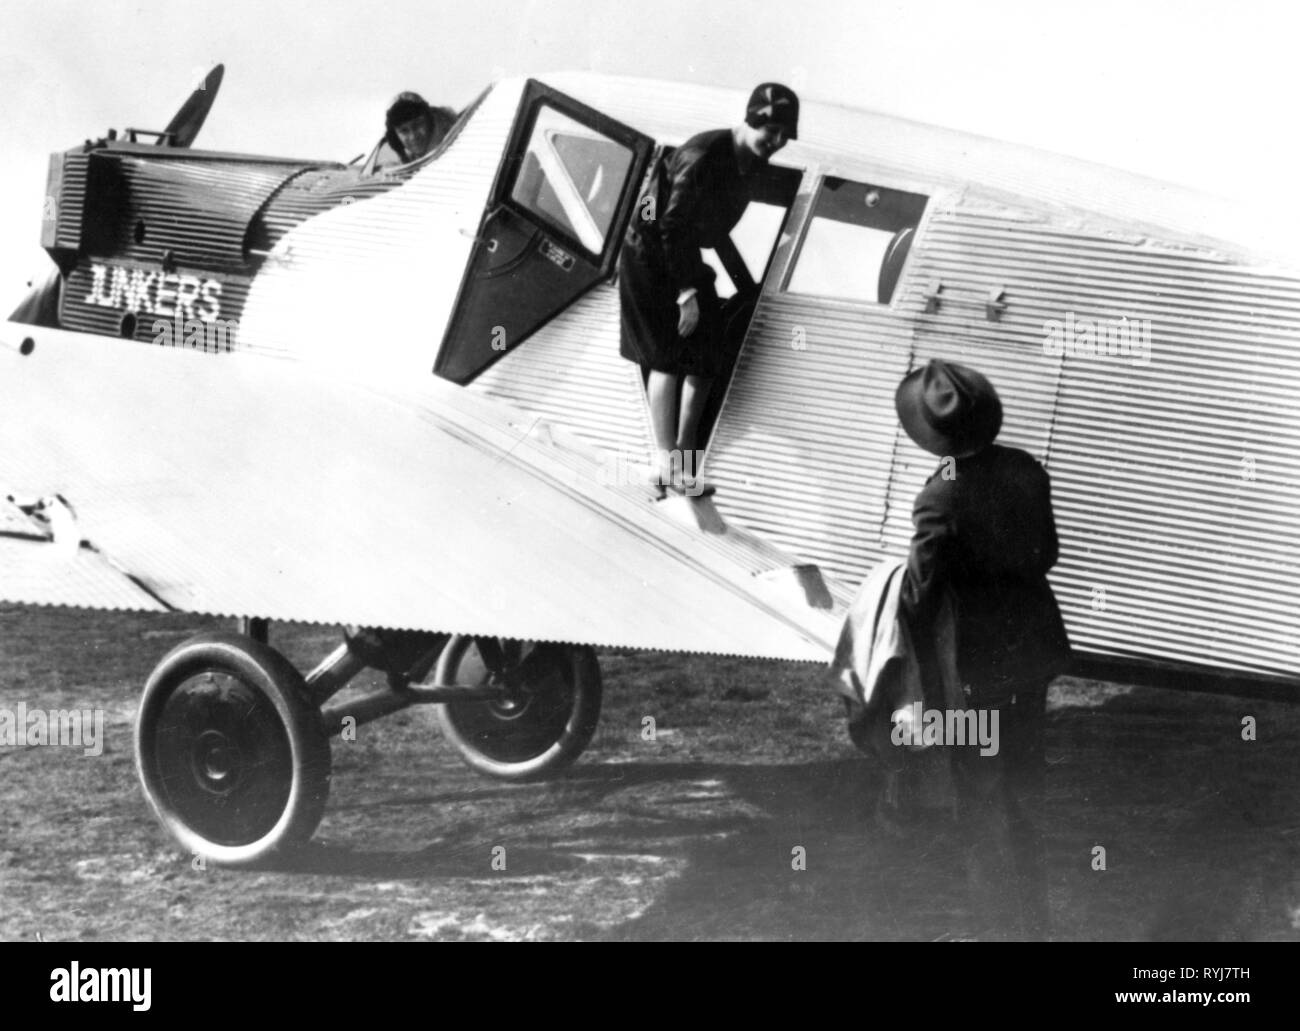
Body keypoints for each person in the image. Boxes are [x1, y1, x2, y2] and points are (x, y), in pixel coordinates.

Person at [893, 358, 1072, 940]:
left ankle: (998, 930)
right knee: (1023, 797)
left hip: (976, 671)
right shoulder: (1026, 468)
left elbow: (919, 599)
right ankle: (1035, 927)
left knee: (977, 801)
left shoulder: (938, 494)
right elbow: (1047, 555)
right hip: (1034, 655)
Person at [619, 83, 799, 494]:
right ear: (750, 120)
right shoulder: (705, 156)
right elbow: (670, 225)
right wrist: (687, 296)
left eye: (784, 136)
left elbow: (704, 227)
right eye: (770, 131)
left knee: (706, 357)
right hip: (649, 256)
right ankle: (664, 462)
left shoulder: (745, 159)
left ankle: (685, 459)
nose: (776, 142)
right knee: (665, 356)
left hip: (678, 254)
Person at [384, 91, 456, 164]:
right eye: (404, 131)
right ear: (396, 137)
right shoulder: (409, 163)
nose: (413, 136)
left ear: (430, 122)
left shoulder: (455, 146)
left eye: (417, 125)